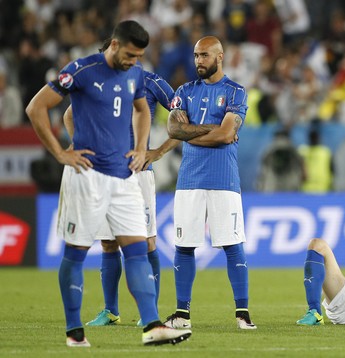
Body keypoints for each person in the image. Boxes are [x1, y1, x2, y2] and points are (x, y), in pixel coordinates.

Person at [25, 20, 191, 347]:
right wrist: (61, 153)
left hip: (125, 177)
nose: (134, 61)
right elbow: (36, 107)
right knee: (75, 254)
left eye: (139, 56)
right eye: (130, 54)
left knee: (138, 251)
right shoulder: (81, 70)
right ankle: (75, 332)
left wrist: (142, 148)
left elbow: (143, 110)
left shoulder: (134, 73)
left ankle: (152, 326)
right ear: (114, 45)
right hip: (87, 178)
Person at [60, 39, 180, 327]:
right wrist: (80, 145)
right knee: (108, 243)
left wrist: (157, 151)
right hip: (103, 172)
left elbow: (181, 121)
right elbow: (68, 114)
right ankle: (111, 310)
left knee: (147, 242)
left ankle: (148, 314)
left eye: (135, 55)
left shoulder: (151, 82)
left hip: (138, 173)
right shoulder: (96, 80)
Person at [164, 36, 256, 330]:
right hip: (189, 180)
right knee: (183, 245)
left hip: (223, 180)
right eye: (195, 55)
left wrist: (191, 132)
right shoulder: (184, 91)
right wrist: (210, 130)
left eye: (204, 55)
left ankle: (242, 313)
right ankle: (182, 313)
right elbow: (174, 129)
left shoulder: (235, 92)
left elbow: (226, 135)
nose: (198, 61)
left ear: (219, 57)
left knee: (232, 244)